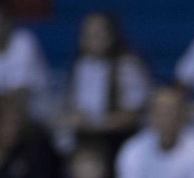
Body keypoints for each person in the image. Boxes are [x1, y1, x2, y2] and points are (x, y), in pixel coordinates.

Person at [60, 11, 148, 151]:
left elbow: (133, 114)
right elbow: (70, 108)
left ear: (112, 35)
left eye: (98, 32)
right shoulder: (78, 66)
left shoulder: (128, 66)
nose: (93, 38)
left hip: (118, 138)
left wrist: (96, 124)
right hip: (85, 138)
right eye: (88, 33)